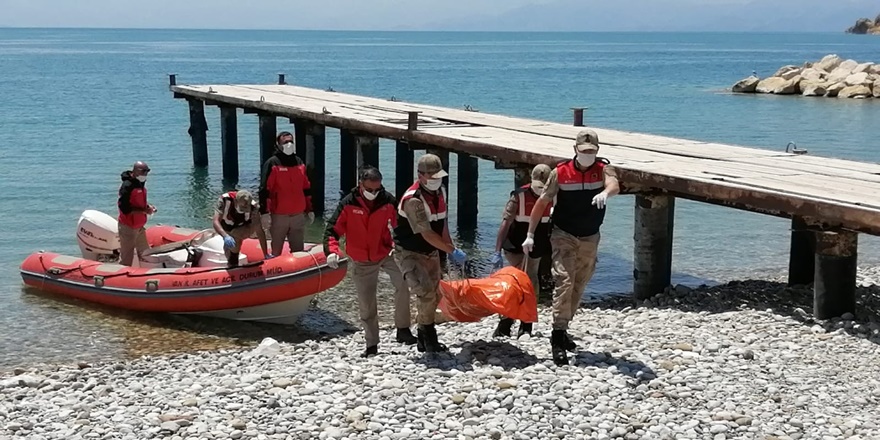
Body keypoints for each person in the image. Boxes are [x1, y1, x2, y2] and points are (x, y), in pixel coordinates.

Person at [522, 129, 620, 366]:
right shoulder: (560, 172)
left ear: (597, 150)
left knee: (579, 284)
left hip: (590, 236)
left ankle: (564, 328)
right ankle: (556, 337)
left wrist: (606, 193)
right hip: (563, 234)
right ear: (575, 149)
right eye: (584, 151)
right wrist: (530, 234)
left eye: (592, 151)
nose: (588, 154)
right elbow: (542, 202)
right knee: (564, 281)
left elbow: (614, 184)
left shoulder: (603, 169)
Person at [323, 166, 418, 357]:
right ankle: (372, 344)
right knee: (367, 303)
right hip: (361, 260)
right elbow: (332, 231)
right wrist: (332, 251)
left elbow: (401, 227)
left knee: (404, 282)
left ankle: (403, 329)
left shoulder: (388, 200)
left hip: (385, 253)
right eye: (370, 190)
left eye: (377, 189)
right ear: (361, 185)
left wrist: (407, 248)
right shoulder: (348, 203)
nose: (374, 193)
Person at [393, 153, 468, 353]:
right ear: (421, 175)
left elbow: (441, 224)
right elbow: (425, 233)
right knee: (424, 292)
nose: (436, 180)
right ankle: (428, 337)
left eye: (439, 176)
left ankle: (424, 335)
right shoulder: (413, 200)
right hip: (410, 251)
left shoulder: (439, 193)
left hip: (431, 250)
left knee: (435, 294)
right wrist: (450, 250)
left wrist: (450, 248)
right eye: (432, 177)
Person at [490, 163, 553, 338]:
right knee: (516, 281)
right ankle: (505, 322)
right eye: (538, 186)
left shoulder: (554, 197)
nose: (540, 190)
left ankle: (526, 325)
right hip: (515, 246)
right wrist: (497, 251)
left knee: (531, 282)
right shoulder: (518, 197)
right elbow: (505, 223)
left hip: (537, 244)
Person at [259, 131, 314, 256]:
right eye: (285, 142)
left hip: (298, 215)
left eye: (291, 142)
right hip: (279, 216)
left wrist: (310, 209)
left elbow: (306, 188)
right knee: (276, 251)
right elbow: (264, 189)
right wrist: (264, 213)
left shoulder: (299, 162)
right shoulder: (272, 163)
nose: (289, 144)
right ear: (278, 144)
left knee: (299, 252)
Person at [212, 190, 272, 267]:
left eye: (246, 208)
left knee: (236, 235)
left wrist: (265, 254)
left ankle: (234, 262)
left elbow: (259, 230)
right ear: (236, 201)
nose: (244, 210)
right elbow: (215, 221)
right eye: (242, 207)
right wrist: (225, 236)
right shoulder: (225, 200)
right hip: (227, 226)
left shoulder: (254, 207)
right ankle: (232, 261)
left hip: (243, 226)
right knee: (229, 250)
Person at [117, 161, 156, 266]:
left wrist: (148, 207)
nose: (145, 175)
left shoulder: (140, 183)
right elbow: (124, 208)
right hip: (128, 226)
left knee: (145, 253)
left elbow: (137, 202)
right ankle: (122, 277)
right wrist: (144, 211)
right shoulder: (127, 186)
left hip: (139, 226)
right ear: (136, 172)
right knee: (127, 256)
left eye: (147, 172)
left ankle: (146, 273)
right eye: (143, 172)